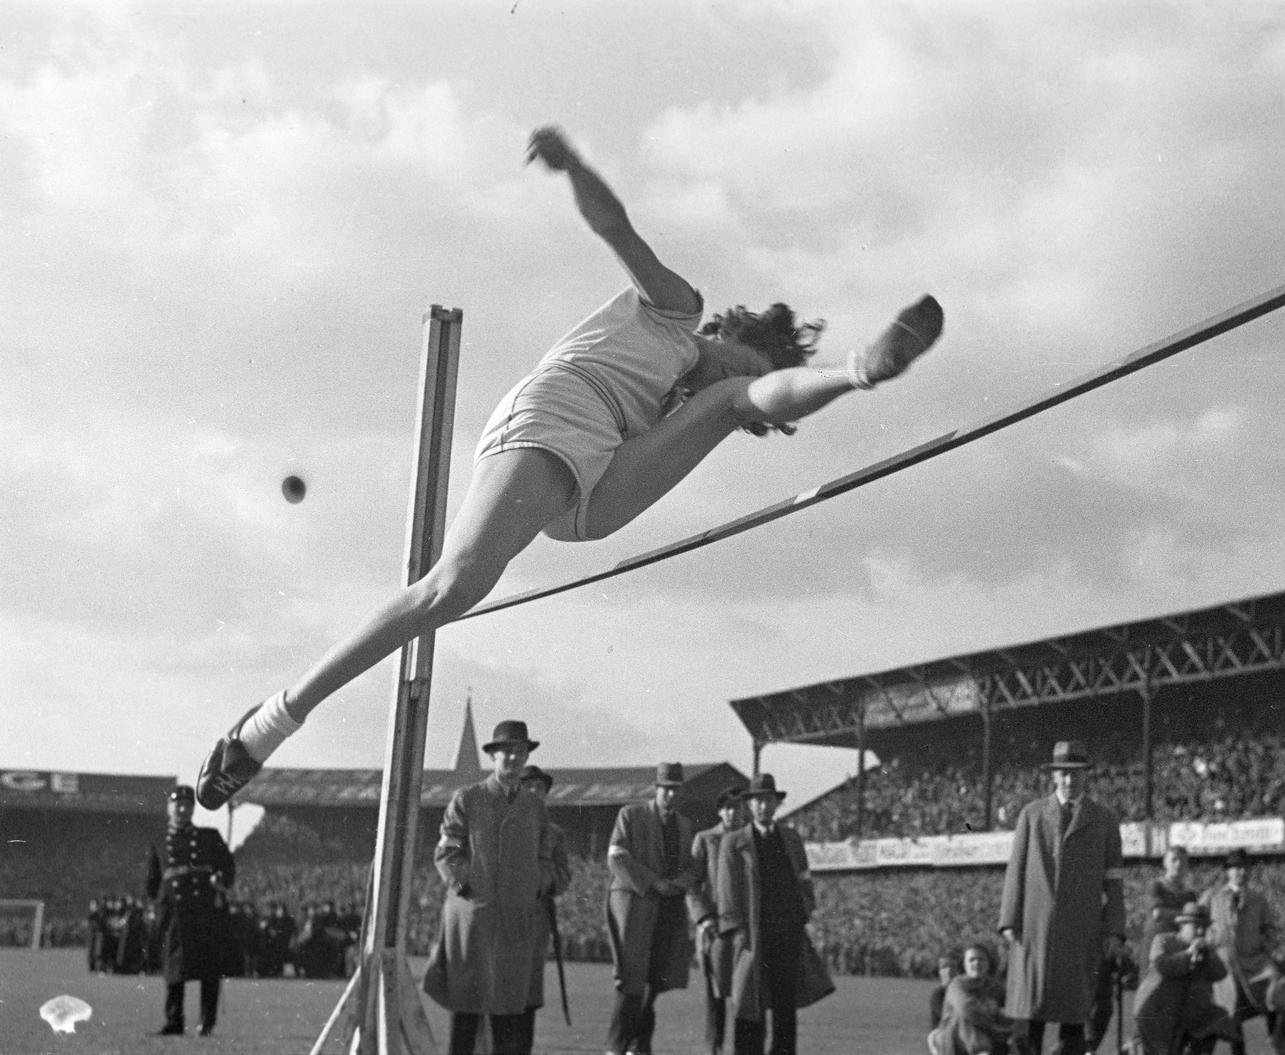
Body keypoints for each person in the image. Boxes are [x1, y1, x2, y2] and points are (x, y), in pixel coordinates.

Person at [193, 124, 945, 811]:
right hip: (561, 414)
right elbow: (614, 227)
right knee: (449, 587)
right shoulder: (677, 315)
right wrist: (575, 166)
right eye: (741, 362)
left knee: (729, 405)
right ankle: (266, 725)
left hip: (597, 482)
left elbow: (745, 397)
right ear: (729, 331)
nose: (724, 384)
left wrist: (758, 394)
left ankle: (861, 373)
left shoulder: (695, 404)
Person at [422, 720, 556, 1055]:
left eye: (520, 752)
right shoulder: (468, 798)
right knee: (467, 1013)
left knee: (508, 1013)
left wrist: (534, 886)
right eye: (506, 752)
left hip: (515, 920)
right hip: (474, 921)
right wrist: (468, 886)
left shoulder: (535, 806)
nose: (513, 759)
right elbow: (446, 851)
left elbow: (545, 857)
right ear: (493, 756)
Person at [997, 741, 1126, 1055]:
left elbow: (1114, 881)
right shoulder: (1032, 814)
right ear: (1054, 776)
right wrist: (1009, 920)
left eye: (1076, 774)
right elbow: (1016, 870)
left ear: (1086, 776)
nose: (1069, 781)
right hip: (1035, 929)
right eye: (1063, 774)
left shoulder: (1105, 820)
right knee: (1029, 1021)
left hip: (1080, 932)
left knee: (1074, 1022)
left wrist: (1114, 929)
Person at [716, 773, 834, 1055]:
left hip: (787, 934)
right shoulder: (733, 843)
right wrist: (739, 934)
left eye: (768, 800)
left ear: (776, 804)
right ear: (749, 805)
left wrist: (802, 913)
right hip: (752, 936)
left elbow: (805, 881)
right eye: (757, 801)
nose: (762, 807)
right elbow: (727, 894)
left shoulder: (791, 839)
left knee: (785, 1006)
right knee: (749, 1002)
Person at [605, 762, 699, 1055]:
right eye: (665, 789)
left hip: (668, 909)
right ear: (656, 789)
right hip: (635, 905)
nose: (670, 795)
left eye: (675, 790)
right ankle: (617, 1046)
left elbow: (691, 867)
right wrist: (653, 883)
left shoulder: (684, 825)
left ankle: (640, 1046)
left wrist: (678, 883)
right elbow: (617, 857)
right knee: (631, 980)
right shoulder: (631, 815)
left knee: (655, 980)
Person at [145, 785, 235, 1037]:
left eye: (187, 805)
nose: (183, 810)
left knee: (209, 969)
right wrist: (156, 906)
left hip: (203, 911)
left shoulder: (209, 837)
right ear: (169, 809)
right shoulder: (160, 843)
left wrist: (221, 880)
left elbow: (228, 867)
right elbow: (153, 881)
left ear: (193, 809)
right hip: (174, 913)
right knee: (174, 970)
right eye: (178, 805)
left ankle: (207, 1022)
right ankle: (174, 1021)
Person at [1199, 850, 1280, 1055]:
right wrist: (1210, 940)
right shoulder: (1213, 896)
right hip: (1223, 963)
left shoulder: (1257, 898)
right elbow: (1196, 922)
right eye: (1236, 868)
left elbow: (1270, 927)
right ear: (1228, 872)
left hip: (1253, 962)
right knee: (1231, 1007)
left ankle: (1275, 1039)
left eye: (1245, 868)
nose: (1241, 872)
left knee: (1273, 987)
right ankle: (1238, 1050)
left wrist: (1264, 946)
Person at [688, 785, 748, 1055]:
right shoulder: (705, 839)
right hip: (715, 926)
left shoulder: (751, 839)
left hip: (745, 928)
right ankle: (714, 1047)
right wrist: (703, 918)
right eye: (728, 807)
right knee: (716, 992)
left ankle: (741, 1048)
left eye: (738, 807)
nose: (733, 813)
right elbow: (692, 884)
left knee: (745, 991)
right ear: (720, 811)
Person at [1132, 902, 1237, 1055]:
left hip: (1189, 1012)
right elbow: (1163, 966)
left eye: (1204, 928)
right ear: (1183, 926)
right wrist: (1188, 954)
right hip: (1156, 1010)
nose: (1200, 932)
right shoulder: (1163, 941)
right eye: (1196, 927)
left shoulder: (1204, 950)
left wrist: (1208, 954)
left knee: (1217, 1021)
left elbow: (1220, 973)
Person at [520, 763, 571, 1054]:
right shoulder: (505, 825)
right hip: (505, 915)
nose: (534, 792)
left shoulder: (555, 834)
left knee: (530, 989)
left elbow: (564, 874)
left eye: (539, 788)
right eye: (528, 786)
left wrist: (546, 879)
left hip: (538, 914)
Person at [930, 942, 1012, 1055]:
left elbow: (1009, 1014)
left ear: (989, 963)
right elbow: (967, 1009)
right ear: (964, 964)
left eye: (981, 959)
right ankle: (981, 1050)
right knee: (962, 1016)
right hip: (955, 1040)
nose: (976, 963)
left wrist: (999, 1015)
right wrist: (993, 1014)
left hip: (991, 1036)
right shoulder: (957, 985)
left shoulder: (997, 988)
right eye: (971, 960)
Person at [932, 949, 963, 1030]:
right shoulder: (938, 994)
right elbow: (946, 1017)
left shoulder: (964, 991)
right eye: (944, 967)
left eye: (952, 966)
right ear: (939, 971)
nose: (949, 970)